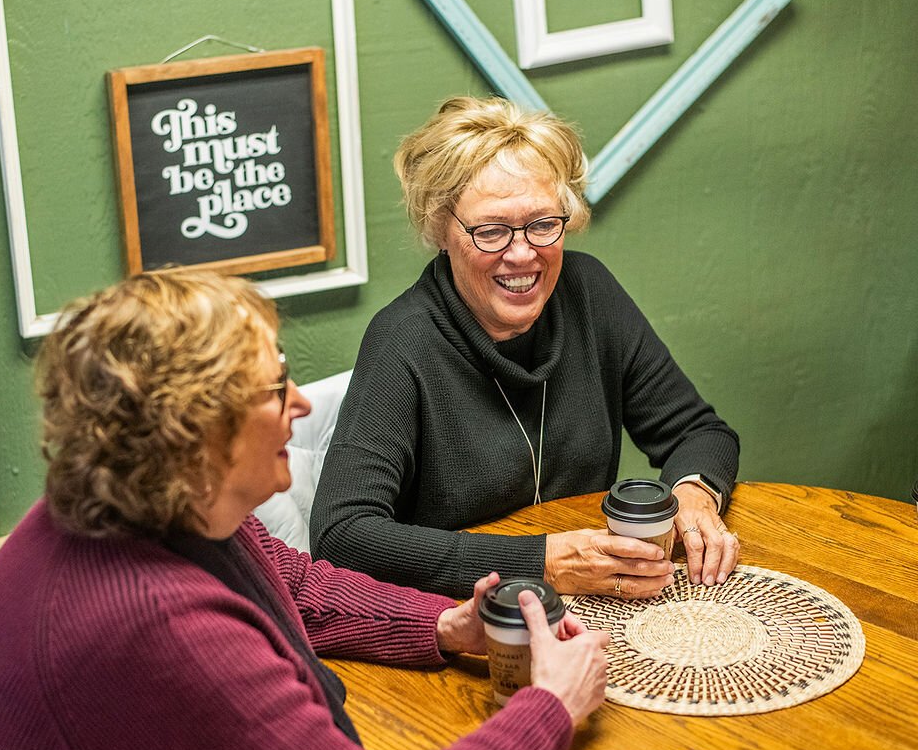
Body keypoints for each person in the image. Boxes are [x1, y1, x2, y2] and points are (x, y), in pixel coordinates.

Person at [0, 270, 609, 750]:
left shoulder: (135, 503)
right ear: (196, 433)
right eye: (273, 389)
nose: (299, 402)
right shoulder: (163, 626)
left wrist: (443, 624)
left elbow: (291, 581)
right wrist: (550, 706)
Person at [311, 96, 741, 601]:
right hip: (469, 617)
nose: (522, 254)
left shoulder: (588, 292)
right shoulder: (401, 341)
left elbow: (697, 430)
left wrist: (692, 494)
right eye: (491, 231)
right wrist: (541, 563)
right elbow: (340, 535)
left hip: (594, 603)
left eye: (541, 224)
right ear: (441, 231)